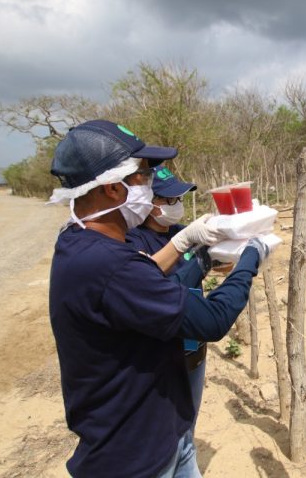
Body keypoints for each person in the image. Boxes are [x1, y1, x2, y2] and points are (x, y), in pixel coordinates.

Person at [47, 120, 271, 478]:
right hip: (134, 458)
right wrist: (251, 257)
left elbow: (148, 279)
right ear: (111, 188)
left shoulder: (81, 242)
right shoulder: (109, 265)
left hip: (163, 434)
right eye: (143, 176)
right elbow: (211, 320)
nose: (150, 187)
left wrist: (194, 251)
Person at [125, 165, 209, 432]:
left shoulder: (178, 230)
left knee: (188, 422)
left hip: (193, 345)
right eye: (169, 199)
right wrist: (183, 243)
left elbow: (213, 263)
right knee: (164, 428)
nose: (176, 205)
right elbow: (145, 277)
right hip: (162, 354)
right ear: (147, 202)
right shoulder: (133, 240)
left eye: (179, 199)